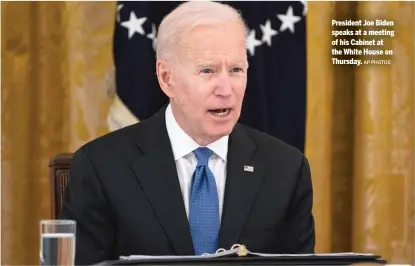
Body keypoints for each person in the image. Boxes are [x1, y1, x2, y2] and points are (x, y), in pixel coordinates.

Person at [61, 1, 315, 265]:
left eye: (236, 70)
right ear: (166, 77)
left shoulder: (286, 169)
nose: (226, 89)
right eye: (208, 70)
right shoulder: (100, 168)